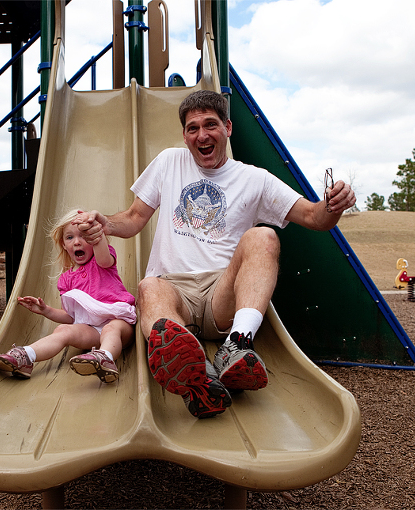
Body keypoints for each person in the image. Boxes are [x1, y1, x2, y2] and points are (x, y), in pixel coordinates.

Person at [75, 90, 356, 417]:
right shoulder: (169, 162)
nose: (202, 135)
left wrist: (334, 205)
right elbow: (134, 218)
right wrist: (104, 223)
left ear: (228, 128)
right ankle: (197, 376)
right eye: (192, 128)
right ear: (184, 135)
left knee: (264, 236)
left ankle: (236, 345)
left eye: (211, 125)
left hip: (221, 293)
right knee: (149, 287)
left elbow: (314, 217)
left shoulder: (254, 180)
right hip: (172, 288)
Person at [0, 209, 136, 383]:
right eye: (70, 237)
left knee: (110, 329)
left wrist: (95, 232)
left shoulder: (102, 262)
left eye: (84, 236)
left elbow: (103, 257)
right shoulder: (65, 280)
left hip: (120, 325)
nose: (77, 242)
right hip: (92, 330)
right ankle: (26, 357)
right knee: (62, 330)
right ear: (63, 244)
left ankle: (105, 358)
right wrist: (46, 310)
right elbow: (70, 317)